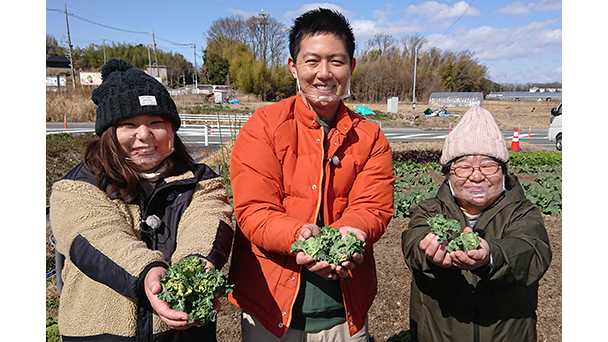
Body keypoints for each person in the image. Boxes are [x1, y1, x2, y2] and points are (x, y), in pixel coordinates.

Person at [227, 7, 395, 342]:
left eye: (336, 61)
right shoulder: (263, 127)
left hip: (343, 312)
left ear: (352, 66)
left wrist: (351, 235)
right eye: (312, 61)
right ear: (293, 66)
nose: (324, 73)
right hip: (270, 308)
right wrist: (299, 237)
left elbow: (373, 208)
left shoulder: (371, 137)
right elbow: (254, 211)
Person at [49, 58, 234, 342]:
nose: (144, 135)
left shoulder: (201, 181)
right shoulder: (76, 187)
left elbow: (207, 224)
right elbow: (99, 234)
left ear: (172, 129)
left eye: (156, 122)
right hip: (102, 334)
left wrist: (195, 269)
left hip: (181, 334)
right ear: (109, 134)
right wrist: (148, 273)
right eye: (129, 124)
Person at [401, 106, 552, 342]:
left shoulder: (523, 212)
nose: (477, 175)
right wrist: (432, 256)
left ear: (503, 170)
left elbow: (532, 252)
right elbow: (413, 245)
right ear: (448, 173)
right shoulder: (428, 210)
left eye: (488, 165)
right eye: (462, 166)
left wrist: (492, 256)